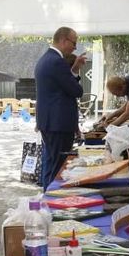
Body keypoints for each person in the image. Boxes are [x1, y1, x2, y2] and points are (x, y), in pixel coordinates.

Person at [35, 27, 87, 188]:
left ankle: (46, 197)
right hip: (58, 123)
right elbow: (76, 90)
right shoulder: (57, 62)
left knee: (50, 163)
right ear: (64, 40)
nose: (75, 47)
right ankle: (50, 200)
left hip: (50, 121)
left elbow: (60, 86)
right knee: (57, 167)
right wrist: (75, 73)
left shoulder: (46, 59)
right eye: (74, 42)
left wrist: (74, 69)